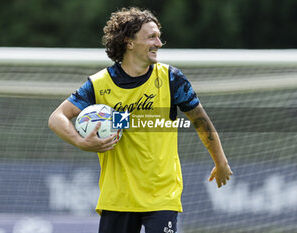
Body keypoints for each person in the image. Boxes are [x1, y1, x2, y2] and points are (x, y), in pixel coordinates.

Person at [48, 7, 233, 233]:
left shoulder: (171, 79)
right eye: (151, 37)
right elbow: (57, 118)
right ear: (129, 42)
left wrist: (220, 161)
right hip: (117, 197)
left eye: (159, 37)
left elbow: (200, 121)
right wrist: (81, 141)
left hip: (162, 195)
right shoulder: (99, 84)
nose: (159, 43)